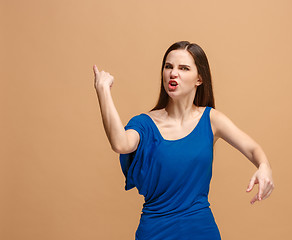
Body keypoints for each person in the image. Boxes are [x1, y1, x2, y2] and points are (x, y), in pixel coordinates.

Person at [93, 41, 274, 240]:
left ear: (199, 79)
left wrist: (264, 166)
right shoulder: (144, 124)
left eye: (184, 68)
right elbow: (120, 144)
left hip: (201, 231)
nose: (173, 73)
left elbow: (252, 148)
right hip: (155, 232)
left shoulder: (211, 120)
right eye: (168, 66)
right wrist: (103, 91)